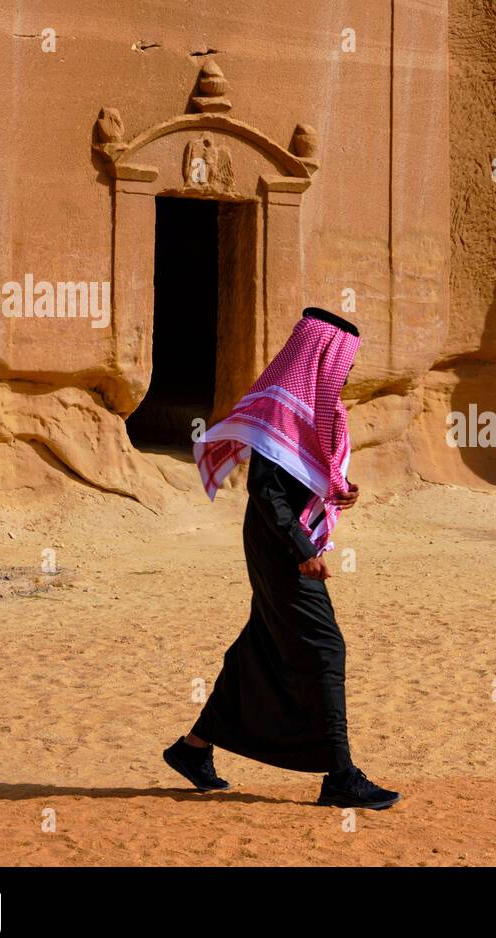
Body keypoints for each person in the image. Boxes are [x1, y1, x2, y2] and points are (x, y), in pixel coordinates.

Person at [163, 306, 399, 810]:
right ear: (320, 357)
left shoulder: (320, 409)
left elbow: (304, 477)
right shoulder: (283, 407)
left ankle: (193, 749)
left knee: (264, 642)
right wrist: (303, 549)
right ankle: (340, 776)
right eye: (344, 362)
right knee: (323, 647)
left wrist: (339, 491)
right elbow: (265, 489)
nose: (348, 372)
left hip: (287, 536)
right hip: (280, 542)